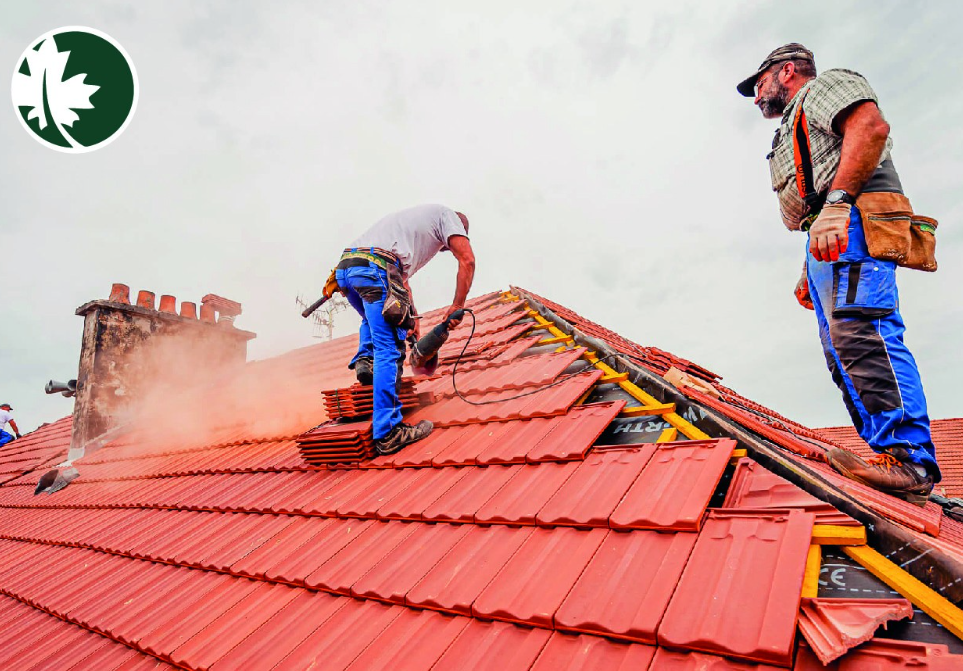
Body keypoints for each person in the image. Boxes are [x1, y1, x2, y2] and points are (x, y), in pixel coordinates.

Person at [738, 44, 939, 505]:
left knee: (863, 330)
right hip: (831, 231)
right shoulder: (795, 118)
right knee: (841, 348)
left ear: (787, 70)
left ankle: (910, 458)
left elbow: (870, 127)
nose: (755, 97)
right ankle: (887, 456)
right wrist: (811, 257)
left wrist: (836, 208)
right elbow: (818, 195)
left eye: (759, 83)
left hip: (853, 220)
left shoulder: (825, 86)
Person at [335, 204, 476, 456]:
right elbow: (467, 260)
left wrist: (413, 322)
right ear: (460, 229)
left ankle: (365, 361)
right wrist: (458, 305)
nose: (445, 249)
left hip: (348, 268)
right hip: (374, 269)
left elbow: (401, 284)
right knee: (389, 349)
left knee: (373, 321)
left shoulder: (409, 231)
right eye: (448, 245)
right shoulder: (450, 218)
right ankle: (388, 432)